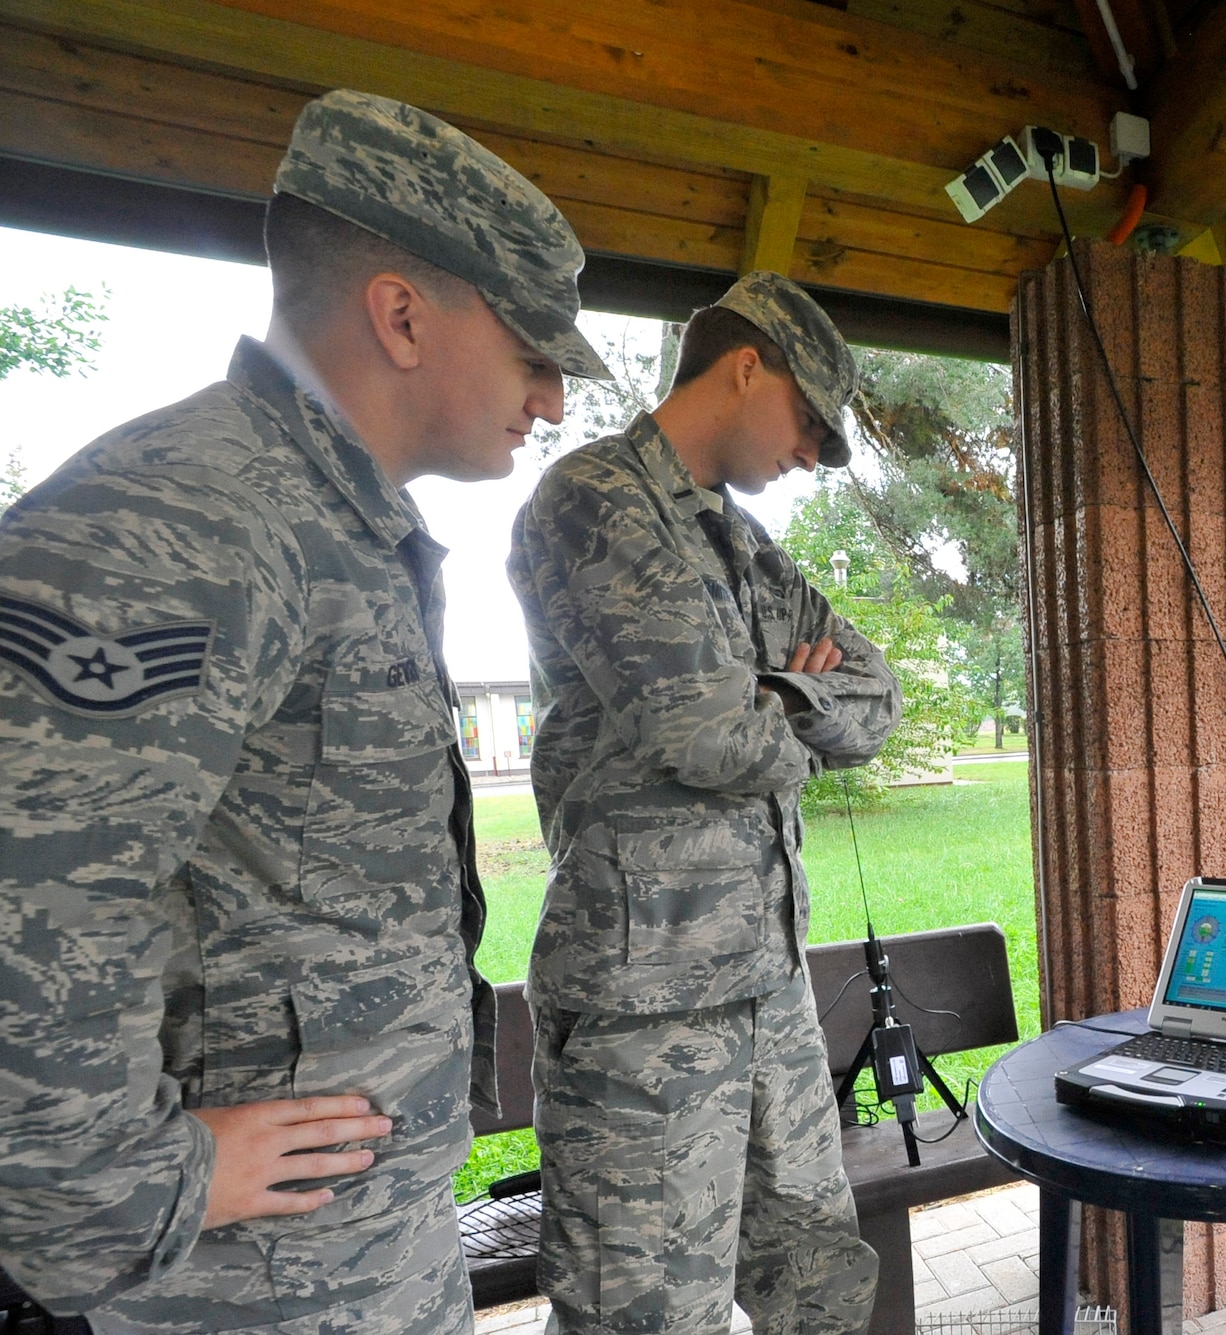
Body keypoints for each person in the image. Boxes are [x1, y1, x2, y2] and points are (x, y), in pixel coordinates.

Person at [0, 89, 609, 1333]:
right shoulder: (180, 518)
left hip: (360, 1245)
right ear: (400, 314)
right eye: (534, 354)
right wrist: (136, 1193)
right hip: (241, 1287)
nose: (551, 401)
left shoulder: (330, 519)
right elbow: (33, 903)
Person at [509, 270, 898, 1335]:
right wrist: (787, 698)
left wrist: (776, 692)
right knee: (644, 1317)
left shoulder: (737, 540)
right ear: (743, 368)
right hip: (643, 1008)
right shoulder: (590, 499)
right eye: (812, 423)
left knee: (817, 1288)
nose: (813, 455)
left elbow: (876, 698)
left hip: (765, 987)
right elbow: (706, 735)